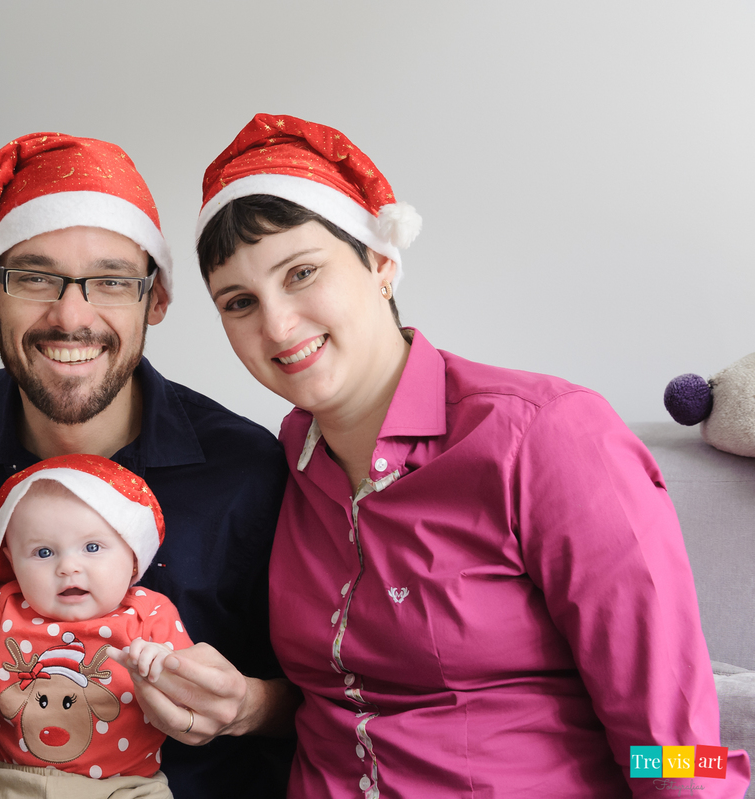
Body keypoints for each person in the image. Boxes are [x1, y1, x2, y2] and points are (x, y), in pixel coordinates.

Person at [178, 113, 752, 798]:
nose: (276, 324)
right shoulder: (280, 465)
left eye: (301, 273)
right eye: (239, 302)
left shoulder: (547, 437)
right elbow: (339, 703)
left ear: (382, 263)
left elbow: (684, 751)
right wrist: (248, 704)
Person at [0, 131, 298, 798]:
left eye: (112, 281)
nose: (71, 315)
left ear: (157, 300)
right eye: (33, 276)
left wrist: (252, 705)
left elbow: (319, 694)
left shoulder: (244, 463)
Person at [0, 454, 192, 798]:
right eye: (43, 553)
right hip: (13, 782)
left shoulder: (150, 610)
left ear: (133, 555)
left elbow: (190, 686)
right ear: (11, 560)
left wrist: (162, 665)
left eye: (92, 547)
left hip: (126, 787)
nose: (68, 566)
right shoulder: (5, 606)